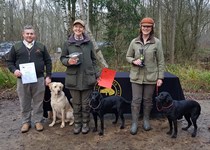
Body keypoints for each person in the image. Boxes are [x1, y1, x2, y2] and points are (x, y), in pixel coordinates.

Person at [7, 25, 52, 133]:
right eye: (27, 33)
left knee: (38, 101)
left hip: (39, 79)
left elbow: (48, 61)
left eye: (31, 33)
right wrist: (14, 70)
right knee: (24, 101)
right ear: (23, 34)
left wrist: (48, 76)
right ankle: (26, 122)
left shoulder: (41, 46)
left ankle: (38, 121)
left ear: (34, 35)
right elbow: (9, 62)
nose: (29, 35)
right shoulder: (16, 47)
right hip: (22, 80)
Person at [126, 17, 165, 135]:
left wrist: (160, 77)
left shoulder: (156, 42)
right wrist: (134, 61)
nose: (146, 28)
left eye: (148, 26)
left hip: (151, 77)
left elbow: (161, 61)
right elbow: (128, 56)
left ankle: (146, 120)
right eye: (144, 26)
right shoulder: (134, 42)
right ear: (140, 27)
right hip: (136, 77)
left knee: (148, 100)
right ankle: (134, 123)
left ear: (152, 28)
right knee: (136, 100)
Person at [60, 19, 99, 134]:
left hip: (88, 78)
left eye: (80, 27)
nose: (78, 29)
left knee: (86, 104)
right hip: (73, 78)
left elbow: (94, 60)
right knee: (76, 103)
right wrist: (68, 61)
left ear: (83, 29)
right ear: (73, 28)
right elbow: (62, 58)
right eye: (76, 27)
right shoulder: (67, 43)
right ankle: (77, 123)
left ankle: (86, 124)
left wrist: (96, 73)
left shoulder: (89, 43)